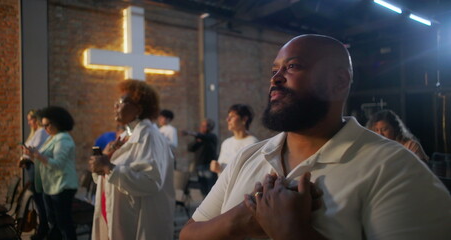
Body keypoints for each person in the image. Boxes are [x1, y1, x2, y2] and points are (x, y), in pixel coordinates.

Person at [180, 34, 451, 240]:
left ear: (339, 82)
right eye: (274, 69)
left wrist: (295, 232)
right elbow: (188, 234)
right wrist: (241, 219)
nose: (275, 78)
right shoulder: (248, 157)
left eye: (292, 66)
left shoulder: (394, 168)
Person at [88, 79, 175, 240]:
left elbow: (151, 181)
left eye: (121, 103)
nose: (115, 106)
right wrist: (100, 163)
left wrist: (109, 168)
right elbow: (108, 173)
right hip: (114, 213)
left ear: (139, 108)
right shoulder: (123, 137)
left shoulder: (151, 137)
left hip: (140, 221)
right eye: (116, 102)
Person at [23, 106, 78, 240]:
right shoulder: (53, 138)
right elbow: (45, 159)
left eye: (47, 125)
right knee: (54, 223)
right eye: (43, 125)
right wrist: (32, 154)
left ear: (57, 122)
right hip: (52, 186)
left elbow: (57, 164)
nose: (45, 128)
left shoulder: (63, 139)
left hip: (62, 186)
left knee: (63, 224)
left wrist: (37, 155)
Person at [19, 109, 49, 240]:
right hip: (31, 167)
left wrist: (26, 153)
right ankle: (42, 227)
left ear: (36, 119)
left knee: (40, 200)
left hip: (36, 168)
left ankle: (44, 228)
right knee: (38, 200)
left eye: (30, 119)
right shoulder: (35, 133)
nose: (29, 122)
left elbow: (35, 152)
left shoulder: (41, 132)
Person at [210, 104, 258, 175]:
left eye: (232, 116)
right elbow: (222, 169)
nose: (228, 120)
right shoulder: (226, 143)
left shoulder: (253, 143)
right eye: (228, 117)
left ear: (244, 119)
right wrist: (216, 167)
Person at [183, 119, 218, 196]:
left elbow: (203, 136)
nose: (202, 128)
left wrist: (190, 133)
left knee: (210, 189)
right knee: (203, 189)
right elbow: (190, 148)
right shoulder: (200, 138)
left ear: (210, 127)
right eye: (201, 126)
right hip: (199, 166)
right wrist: (197, 141)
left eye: (204, 126)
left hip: (208, 166)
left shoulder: (212, 137)